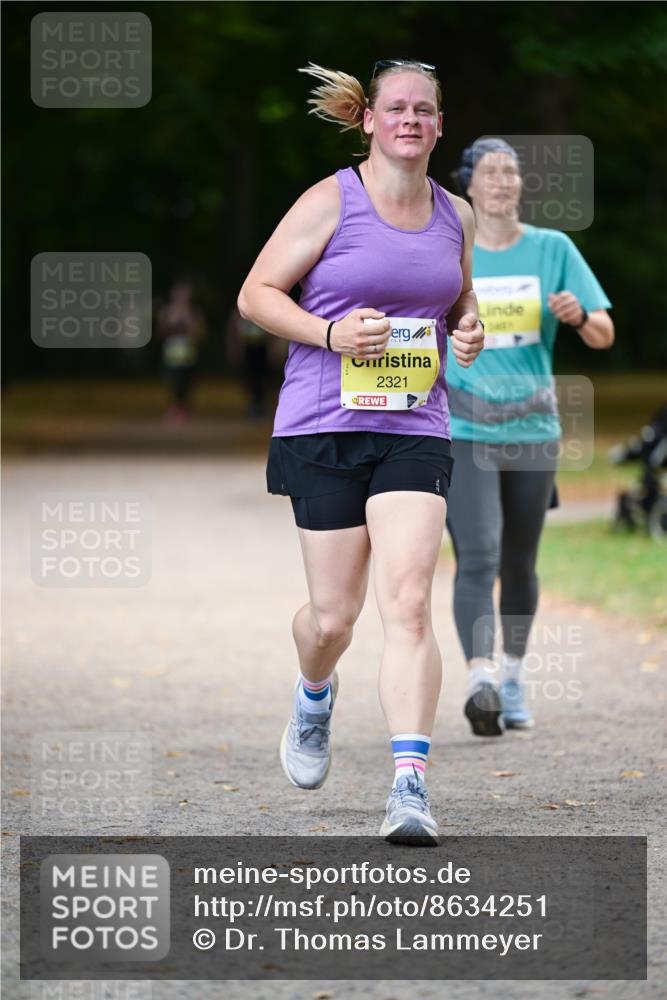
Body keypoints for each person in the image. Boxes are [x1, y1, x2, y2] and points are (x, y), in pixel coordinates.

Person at [238, 59, 484, 844]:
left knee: (408, 601)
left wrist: (470, 329)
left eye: (424, 109)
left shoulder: (458, 215)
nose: (409, 119)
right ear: (370, 121)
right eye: (395, 108)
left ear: (438, 126)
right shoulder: (329, 201)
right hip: (323, 424)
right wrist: (332, 333)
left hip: (415, 425)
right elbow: (256, 295)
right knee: (333, 619)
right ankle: (314, 691)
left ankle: (408, 784)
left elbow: (459, 299)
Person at [445, 138, 614, 737]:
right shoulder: (450, 248)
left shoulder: (552, 248)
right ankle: (480, 681)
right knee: (479, 555)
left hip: (533, 430)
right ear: (468, 184)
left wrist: (579, 317)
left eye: (511, 172)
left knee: (519, 563)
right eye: (489, 171)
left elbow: (603, 333)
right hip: (462, 427)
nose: (501, 181)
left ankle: (512, 678)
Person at [157, 280, 206, 422]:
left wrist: (190, 326)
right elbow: (160, 333)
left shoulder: (194, 313)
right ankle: (174, 408)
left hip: (188, 355)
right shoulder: (167, 312)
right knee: (173, 382)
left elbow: (200, 333)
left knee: (187, 383)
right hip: (172, 356)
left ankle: (185, 408)